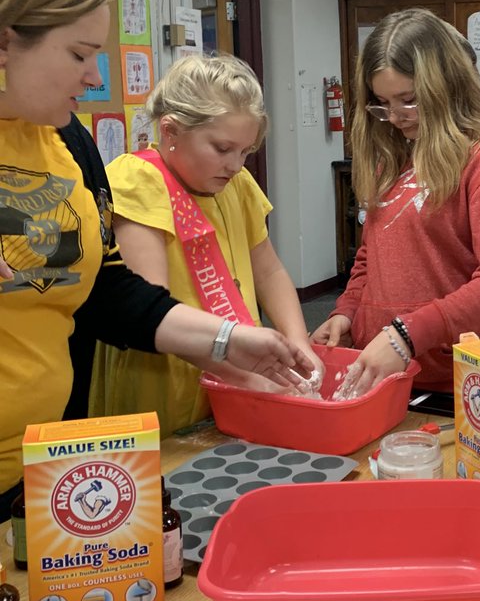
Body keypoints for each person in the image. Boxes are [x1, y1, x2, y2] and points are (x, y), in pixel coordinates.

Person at [0, 0, 311, 519]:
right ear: (5, 40)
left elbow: (107, 292)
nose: (94, 77)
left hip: (40, 459)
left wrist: (227, 341)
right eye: (79, 53)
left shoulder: (67, 141)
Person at [89, 53, 322, 439]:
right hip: (166, 378)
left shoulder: (238, 185)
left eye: (245, 151)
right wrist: (242, 376)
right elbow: (150, 310)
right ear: (171, 131)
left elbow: (268, 270)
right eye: (222, 148)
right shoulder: (138, 181)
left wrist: (300, 344)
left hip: (243, 368)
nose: (236, 165)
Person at [312, 8, 480, 396]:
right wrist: (347, 312)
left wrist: (407, 334)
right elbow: (370, 258)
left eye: (409, 100)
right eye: (383, 103)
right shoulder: (393, 157)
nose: (395, 117)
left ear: (445, 86)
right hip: (383, 372)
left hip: (461, 381)